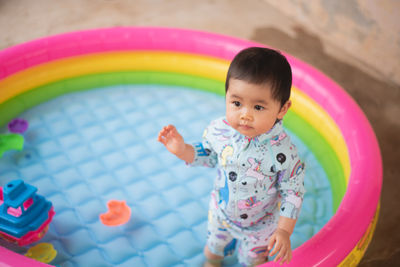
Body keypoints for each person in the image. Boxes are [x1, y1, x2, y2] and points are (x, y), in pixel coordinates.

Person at [158, 47, 305, 266]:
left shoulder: (283, 153)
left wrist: (283, 231)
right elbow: (208, 155)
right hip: (222, 213)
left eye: (258, 107)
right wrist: (182, 149)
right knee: (213, 250)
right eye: (237, 103)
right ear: (227, 96)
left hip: (261, 226)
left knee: (254, 261)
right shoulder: (219, 130)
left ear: (282, 109)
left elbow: (293, 192)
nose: (245, 114)